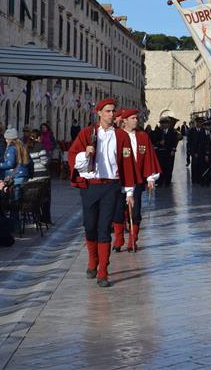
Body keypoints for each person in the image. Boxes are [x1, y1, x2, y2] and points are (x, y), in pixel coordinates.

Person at [69, 99, 138, 287]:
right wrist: (86, 153)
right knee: (89, 225)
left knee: (104, 227)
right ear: (99, 112)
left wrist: (129, 191)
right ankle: (93, 260)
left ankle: (103, 271)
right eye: (107, 111)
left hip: (112, 186)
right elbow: (73, 156)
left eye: (113, 111)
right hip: (91, 185)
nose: (111, 114)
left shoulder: (121, 136)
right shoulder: (87, 133)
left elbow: (127, 163)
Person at [114, 108, 160, 252]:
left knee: (135, 211)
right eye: (133, 118)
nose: (136, 120)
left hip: (137, 179)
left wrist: (151, 177)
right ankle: (119, 238)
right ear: (125, 121)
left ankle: (133, 240)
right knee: (118, 210)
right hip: (119, 179)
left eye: (136, 118)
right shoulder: (116, 135)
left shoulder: (143, 136)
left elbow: (149, 157)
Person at [151, 117, 178, 187]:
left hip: (169, 152)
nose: (164, 125)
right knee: (160, 167)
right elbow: (153, 141)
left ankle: (167, 182)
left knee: (169, 167)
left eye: (166, 123)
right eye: (162, 123)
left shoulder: (173, 132)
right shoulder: (158, 131)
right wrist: (159, 143)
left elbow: (175, 141)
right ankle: (159, 181)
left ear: (168, 124)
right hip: (160, 153)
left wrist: (173, 150)